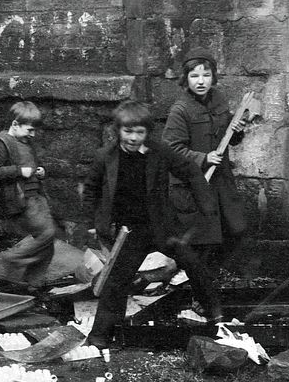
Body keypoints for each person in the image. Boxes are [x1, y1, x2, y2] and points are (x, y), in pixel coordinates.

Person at [82, 100, 223, 348]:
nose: (134, 138)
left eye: (140, 132)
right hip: (130, 231)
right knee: (116, 281)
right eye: (128, 131)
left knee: (194, 263)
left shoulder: (160, 152)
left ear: (147, 133)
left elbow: (191, 171)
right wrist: (95, 221)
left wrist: (207, 210)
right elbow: (91, 190)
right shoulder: (105, 157)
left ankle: (217, 317)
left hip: (162, 226)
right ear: (118, 130)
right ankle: (100, 336)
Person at [161, 48, 250, 269]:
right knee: (201, 240)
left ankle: (218, 281)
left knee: (233, 229)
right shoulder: (180, 110)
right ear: (185, 79)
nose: (201, 81)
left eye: (206, 75)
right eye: (194, 76)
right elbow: (170, 149)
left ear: (213, 76)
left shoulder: (219, 100)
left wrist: (236, 129)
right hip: (194, 186)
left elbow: (230, 139)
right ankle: (199, 291)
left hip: (221, 182)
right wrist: (203, 157)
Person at [0, 101, 57, 288]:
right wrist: (19, 171)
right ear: (15, 124)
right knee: (48, 233)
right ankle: (12, 258)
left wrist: (41, 171)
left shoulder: (25, 142)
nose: (33, 135)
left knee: (48, 247)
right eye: (29, 130)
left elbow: (33, 165)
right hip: (21, 200)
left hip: (36, 197)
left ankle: (32, 285)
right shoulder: (2, 143)